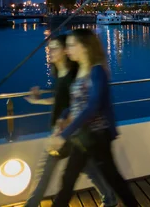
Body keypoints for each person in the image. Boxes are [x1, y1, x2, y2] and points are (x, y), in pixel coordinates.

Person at [24, 34, 117, 207]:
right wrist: (37, 100)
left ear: (65, 52)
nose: (50, 51)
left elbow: (80, 106)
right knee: (88, 169)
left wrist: (63, 130)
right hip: (66, 132)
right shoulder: (61, 74)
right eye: (49, 48)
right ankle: (110, 197)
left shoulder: (73, 77)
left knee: (45, 175)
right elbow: (59, 100)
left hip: (67, 133)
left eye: (55, 48)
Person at [48, 29, 138, 207]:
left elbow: (93, 105)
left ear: (86, 47)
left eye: (73, 45)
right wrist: (64, 116)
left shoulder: (97, 72)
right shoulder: (80, 70)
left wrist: (64, 134)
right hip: (82, 136)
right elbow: (77, 103)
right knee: (68, 180)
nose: (68, 49)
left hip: (97, 136)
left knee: (113, 178)